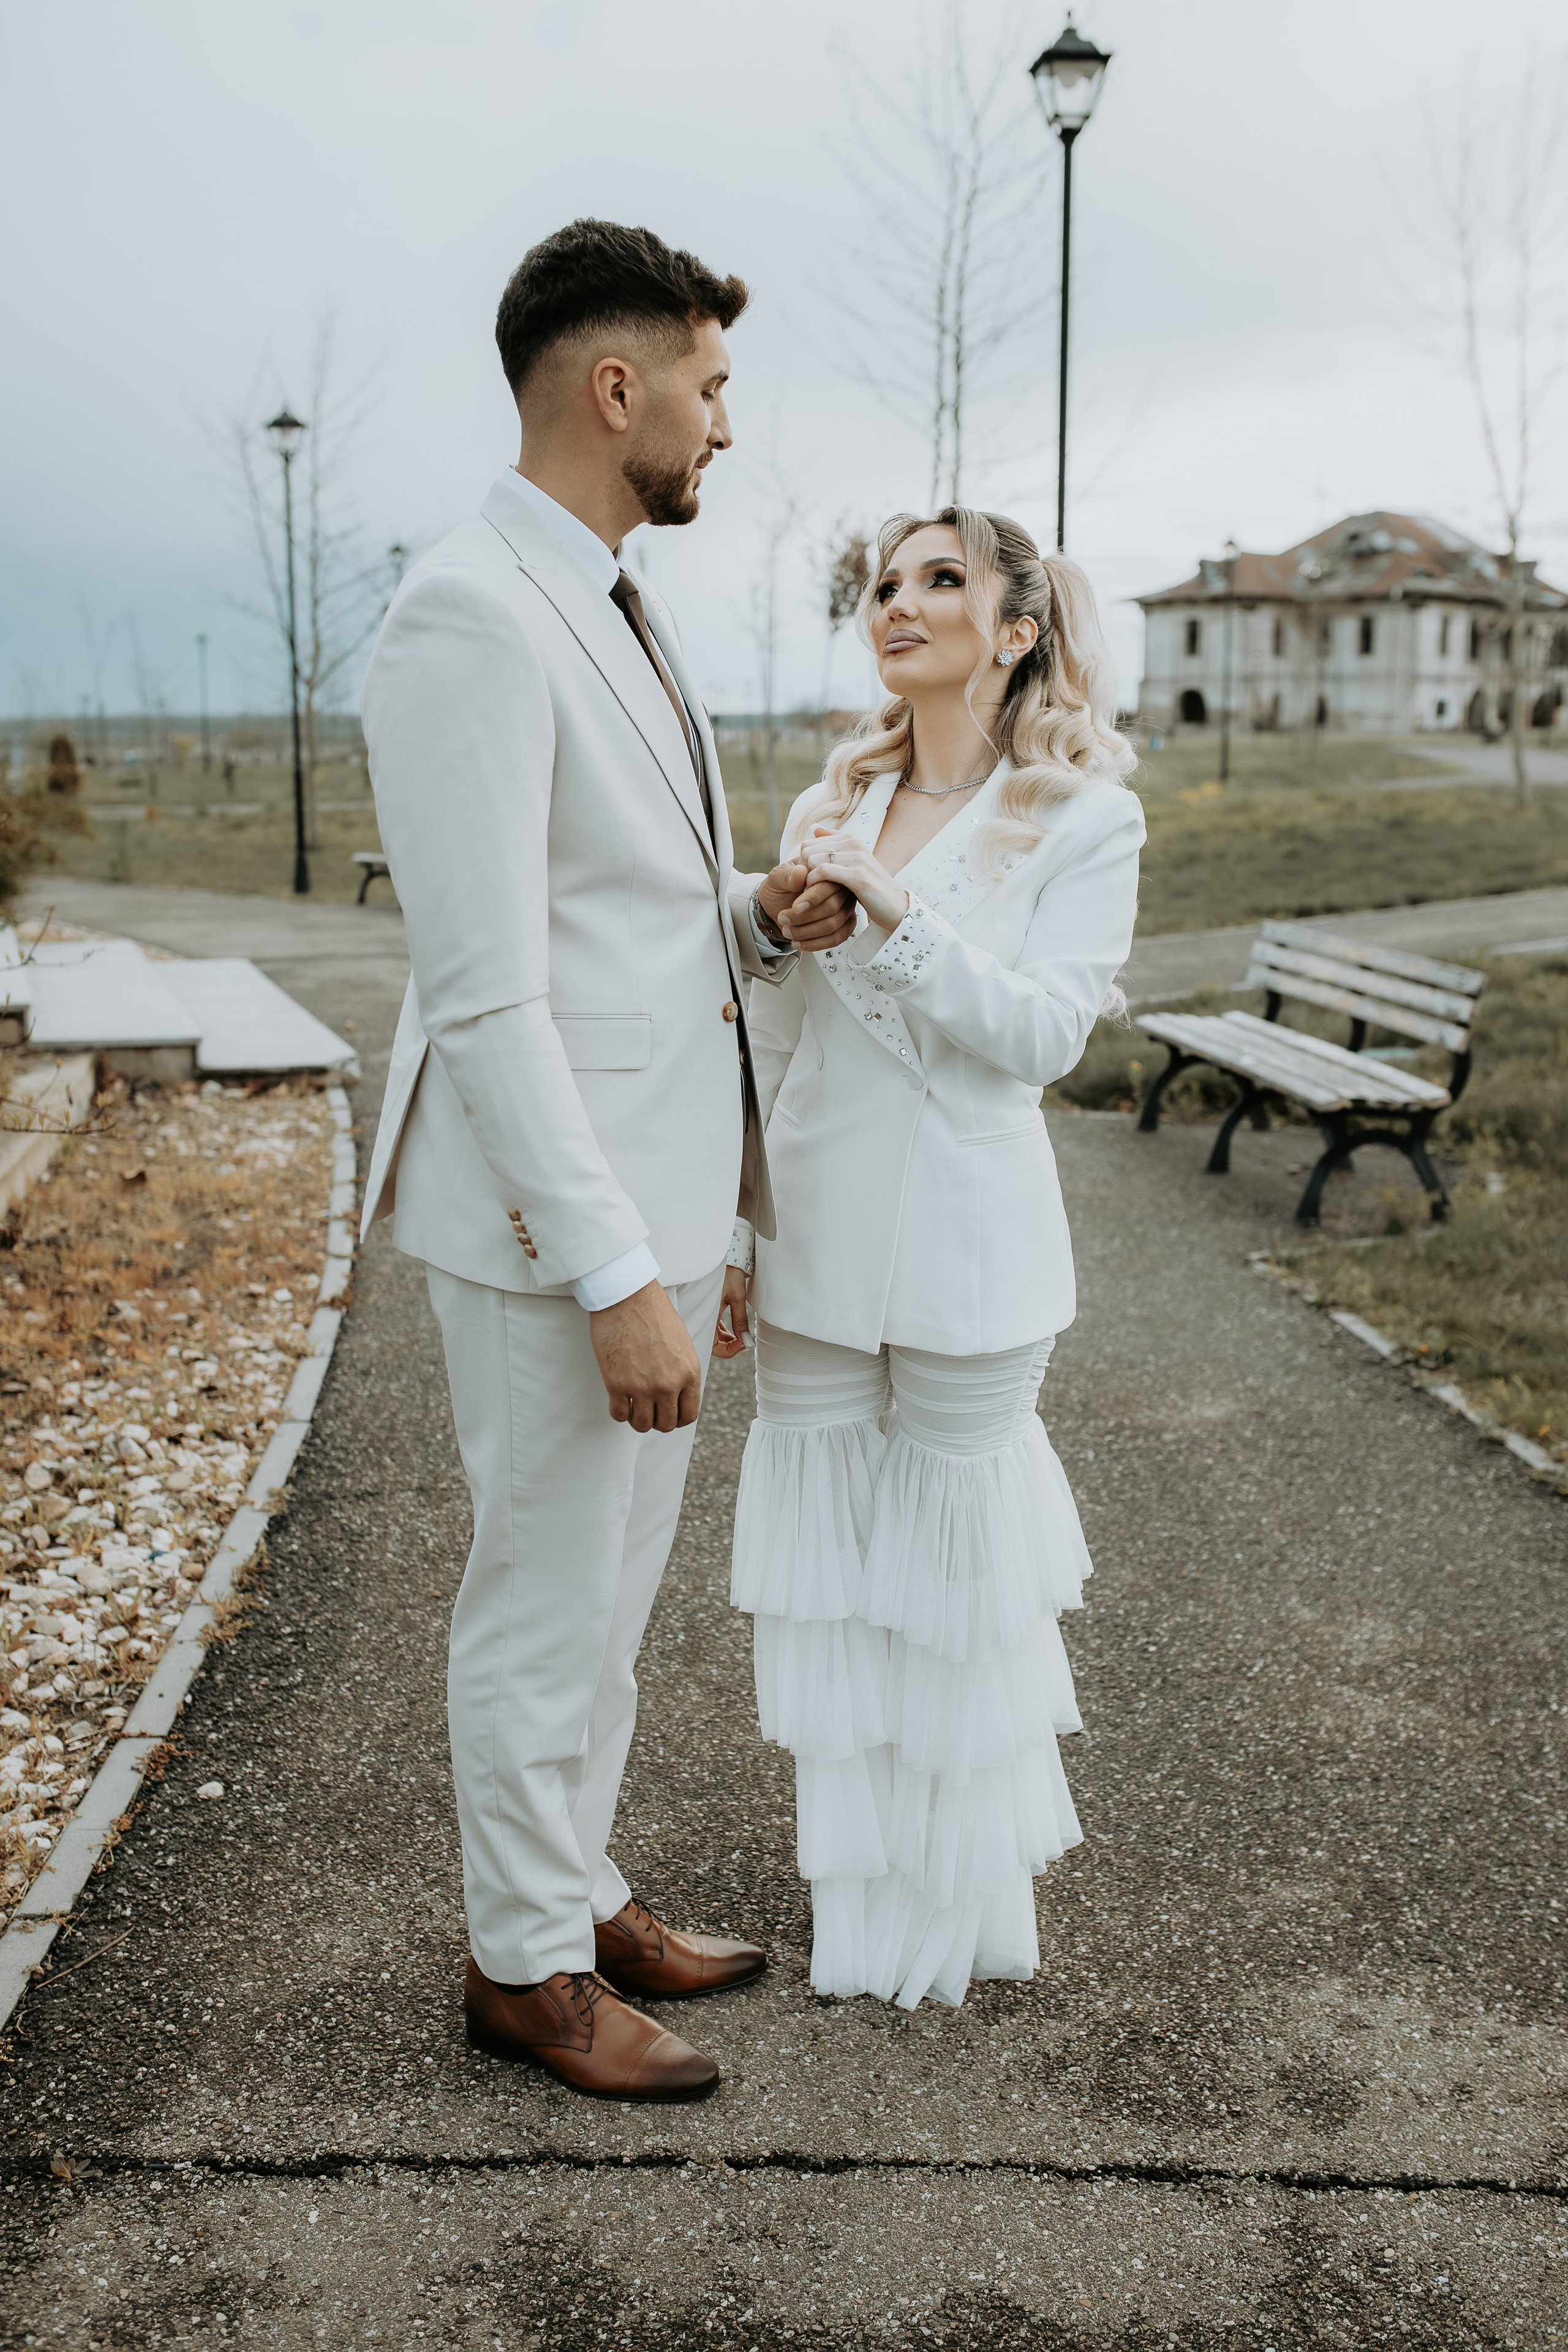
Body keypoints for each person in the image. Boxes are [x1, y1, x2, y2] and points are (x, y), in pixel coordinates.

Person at [358, 220, 854, 2101]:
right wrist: (616, 1276)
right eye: (711, 389)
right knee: (543, 1596)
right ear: (614, 385)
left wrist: (756, 914)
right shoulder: (467, 611)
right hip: (552, 1230)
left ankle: (578, 1885)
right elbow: (487, 998)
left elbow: (610, 918)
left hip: (651, 1194)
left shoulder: (617, 594)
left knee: (614, 1597)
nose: (728, 428)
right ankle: (521, 1972)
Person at [728, 505, 1143, 2010]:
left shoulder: (1083, 819)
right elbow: (767, 1033)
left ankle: (955, 1916)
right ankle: (859, 1914)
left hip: (973, 1253)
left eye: (939, 581)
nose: (896, 603)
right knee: (831, 1596)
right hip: (814, 1248)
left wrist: (899, 926)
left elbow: (1039, 1036)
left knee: (958, 1591)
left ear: (1016, 627)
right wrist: (726, 1225)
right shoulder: (822, 806)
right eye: (884, 583)